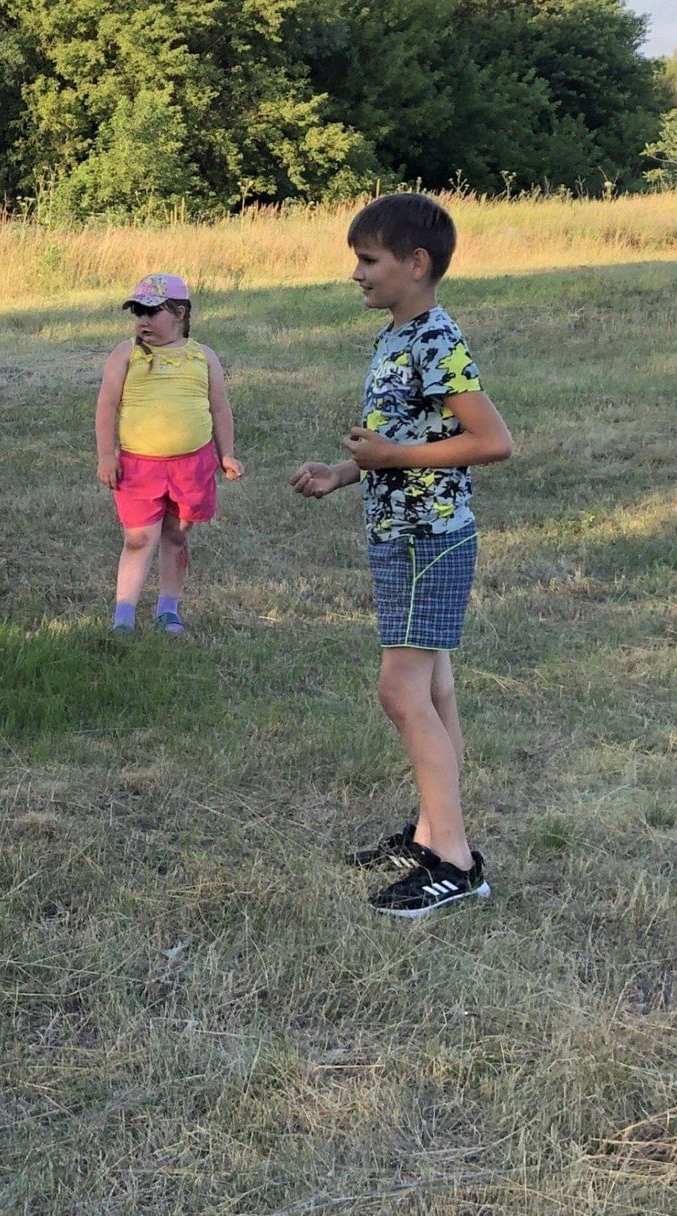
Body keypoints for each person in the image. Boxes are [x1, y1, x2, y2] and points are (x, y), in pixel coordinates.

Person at [291, 192, 514, 917]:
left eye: (368, 259)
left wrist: (392, 456)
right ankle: (431, 836)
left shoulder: (436, 339)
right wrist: (346, 471)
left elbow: (492, 441)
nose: (356, 273)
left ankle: (456, 861)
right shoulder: (395, 335)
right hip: (400, 533)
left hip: (428, 538)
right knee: (433, 688)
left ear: (416, 264)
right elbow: (405, 440)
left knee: (400, 691)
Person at [94, 273, 245, 635]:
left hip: (191, 466)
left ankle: (168, 609)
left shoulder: (203, 356)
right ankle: (124, 616)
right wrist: (106, 455)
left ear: (179, 314)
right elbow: (107, 405)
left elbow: (219, 408)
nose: (142, 321)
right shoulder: (126, 353)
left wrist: (226, 454)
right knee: (138, 539)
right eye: (138, 313)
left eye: (152, 312)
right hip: (138, 466)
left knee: (177, 536)